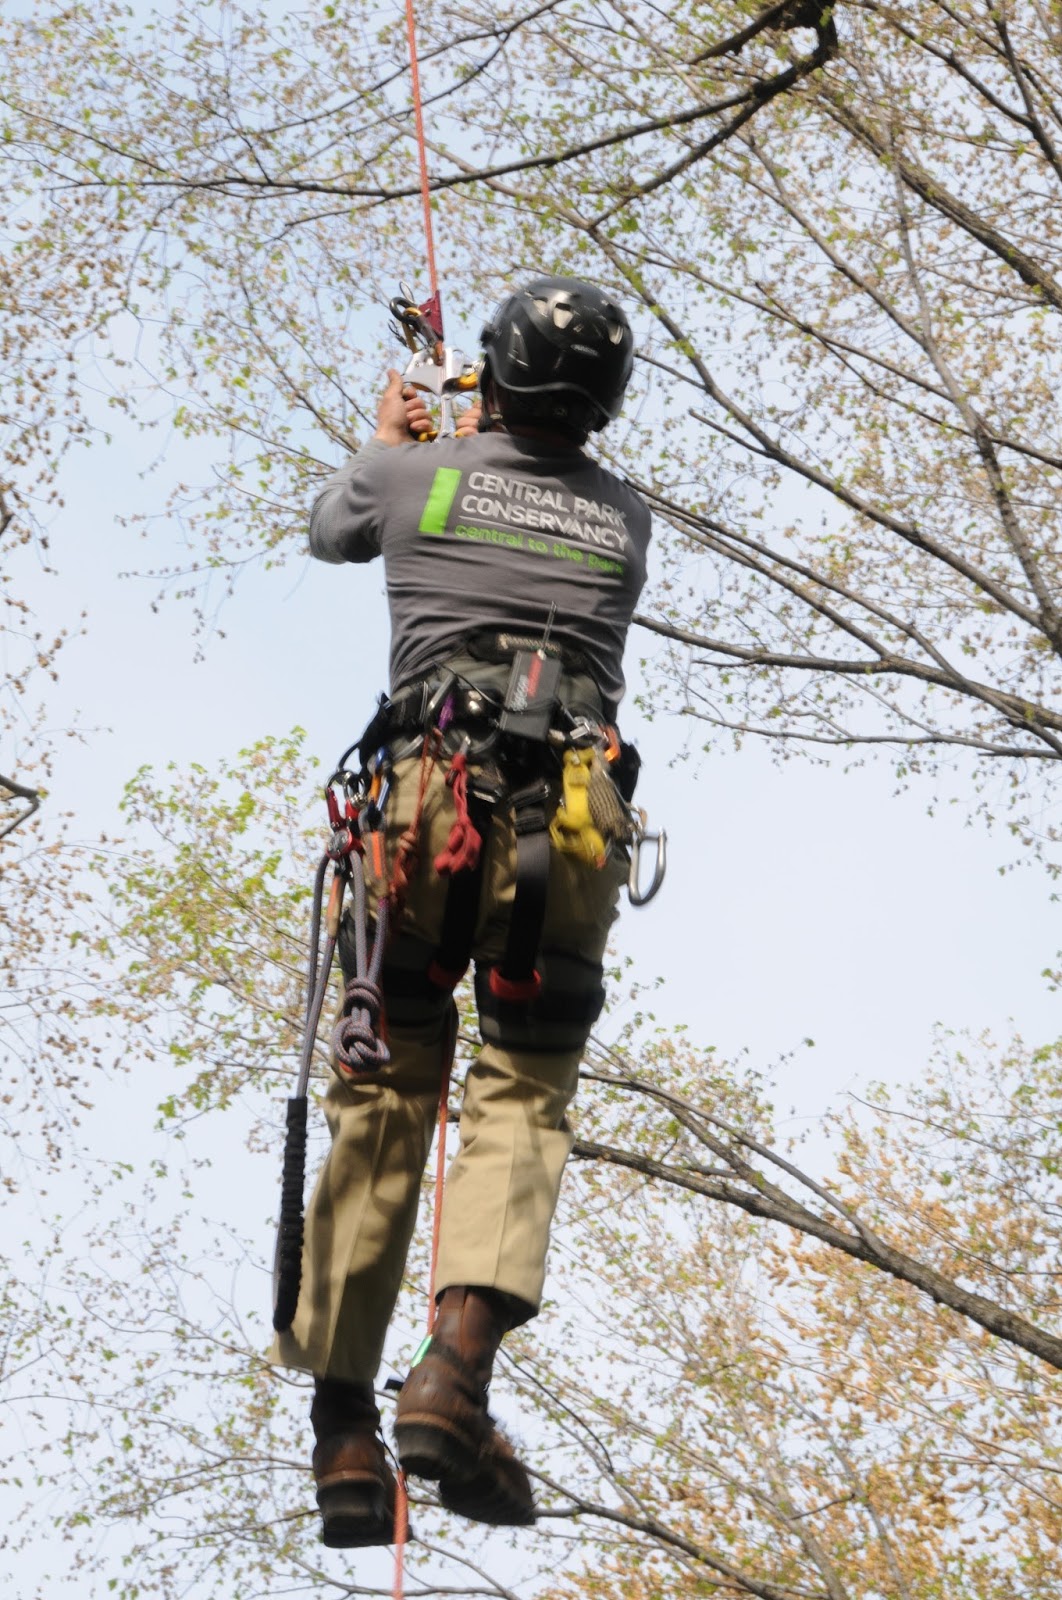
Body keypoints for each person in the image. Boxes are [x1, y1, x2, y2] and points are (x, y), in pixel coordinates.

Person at [272, 276, 652, 1546]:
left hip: (424, 811)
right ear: (603, 406)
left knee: (386, 1094)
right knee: (526, 1087)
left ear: (492, 374)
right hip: (574, 819)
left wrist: (395, 436)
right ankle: (454, 1373)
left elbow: (332, 526)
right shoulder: (624, 517)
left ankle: (342, 1432)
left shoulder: (413, 480)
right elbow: (525, 492)